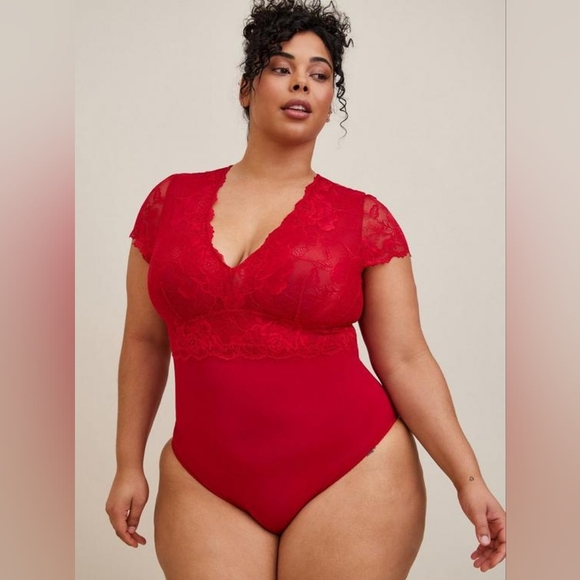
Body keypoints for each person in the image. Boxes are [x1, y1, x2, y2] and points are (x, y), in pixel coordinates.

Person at [105, 0, 506, 578]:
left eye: (320, 75)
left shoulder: (363, 218)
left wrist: (469, 480)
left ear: (328, 101)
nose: (301, 83)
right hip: (204, 479)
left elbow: (406, 358)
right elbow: (144, 341)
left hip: (354, 472)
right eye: (281, 67)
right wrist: (128, 462)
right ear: (246, 89)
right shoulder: (170, 202)